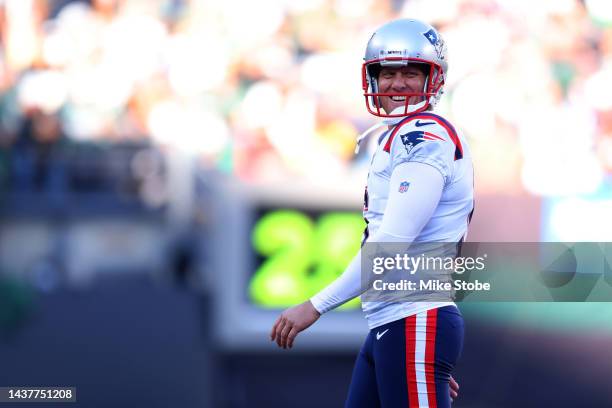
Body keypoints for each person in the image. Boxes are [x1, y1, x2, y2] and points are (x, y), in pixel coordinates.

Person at [270, 19, 474, 408]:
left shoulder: (425, 136)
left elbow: (391, 243)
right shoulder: (399, 133)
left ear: (434, 77)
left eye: (410, 73)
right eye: (388, 73)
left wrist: (314, 306)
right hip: (394, 322)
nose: (397, 83)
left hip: (414, 316)